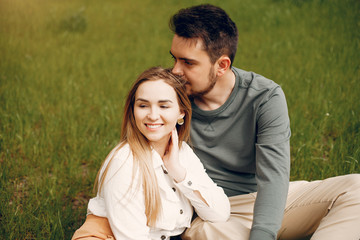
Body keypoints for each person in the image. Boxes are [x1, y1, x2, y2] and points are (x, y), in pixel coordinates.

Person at [168, 4, 360, 240]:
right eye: (174, 58)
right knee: (207, 233)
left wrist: (263, 233)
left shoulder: (264, 96)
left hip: (263, 200)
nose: (175, 70)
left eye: (188, 62)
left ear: (222, 65)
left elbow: (274, 177)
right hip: (213, 213)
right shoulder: (167, 98)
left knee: (356, 188)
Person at [71, 66, 230, 240]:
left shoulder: (182, 153)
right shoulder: (124, 163)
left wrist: (179, 173)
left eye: (163, 106)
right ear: (133, 110)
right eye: (143, 105)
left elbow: (220, 213)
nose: (153, 115)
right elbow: (133, 237)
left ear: (181, 112)